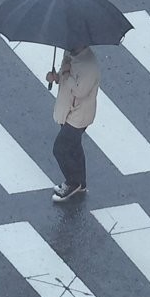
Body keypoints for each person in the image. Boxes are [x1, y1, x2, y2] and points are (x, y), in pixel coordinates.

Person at [45, 45, 100, 202]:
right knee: (74, 147)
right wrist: (57, 77)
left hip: (79, 115)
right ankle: (80, 183)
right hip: (67, 110)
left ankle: (72, 182)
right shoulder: (70, 52)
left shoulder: (89, 65)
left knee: (60, 149)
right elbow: (65, 79)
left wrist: (66, 72)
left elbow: (79, 91)